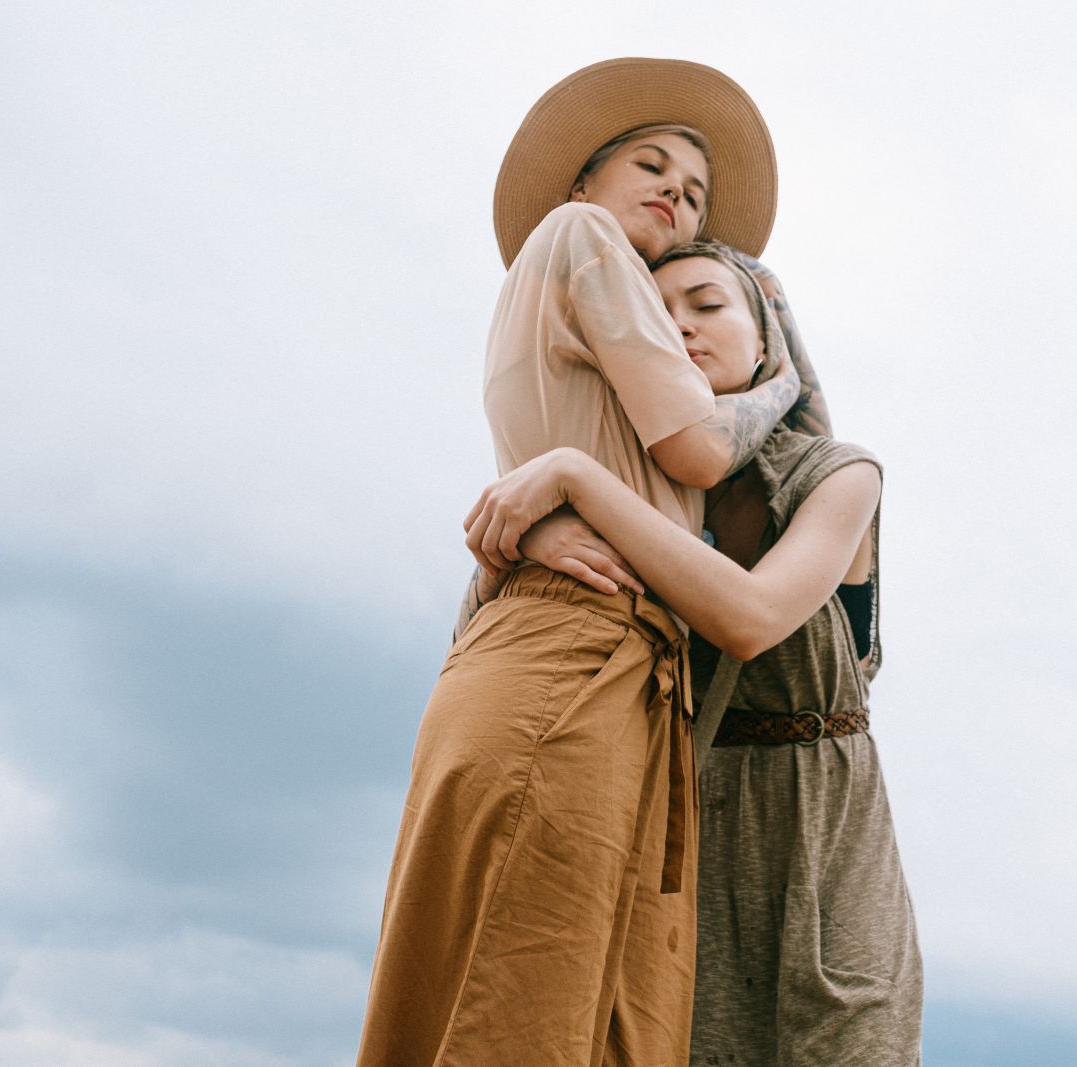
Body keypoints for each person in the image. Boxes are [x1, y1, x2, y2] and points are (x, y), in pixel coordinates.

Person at [356, 59, 806, 1067]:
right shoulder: (582, 237)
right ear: (580, 185)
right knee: (530, 997)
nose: (676, 196)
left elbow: (528, 495)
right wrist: (780, 383)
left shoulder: (574, 318)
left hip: (571, 656)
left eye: (693, 193)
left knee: (540, 992)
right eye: (650, 165)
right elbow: (695, 448)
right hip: (576, 659)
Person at [466, 242, 923, 1065]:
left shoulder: (838, 473)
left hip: (821, 830)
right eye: (652, 315)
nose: (678, 329)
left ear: (766, 339)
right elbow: (490, 638)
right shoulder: (620, 494)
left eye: (707, 306)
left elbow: (749, 619)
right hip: (679, 826)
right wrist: (525, 537)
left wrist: (573, 475)